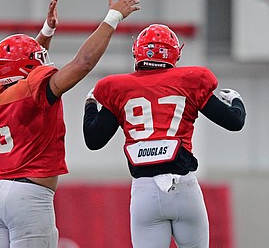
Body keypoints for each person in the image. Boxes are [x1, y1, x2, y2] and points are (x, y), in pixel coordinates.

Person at [0, 0, 140, 248]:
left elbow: (24, 68)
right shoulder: (33, 93)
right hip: (29, 196)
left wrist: (46, 31)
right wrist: (113, 17)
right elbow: (83, 63)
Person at [83, 24, 246, 248]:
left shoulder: (118, 88)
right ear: (175, 53)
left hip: (144, 191)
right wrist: (236, 101)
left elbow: (93, 140)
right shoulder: (190, 81)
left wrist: (90, 105)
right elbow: (234, 122)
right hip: (184, 188)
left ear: (137, 52)